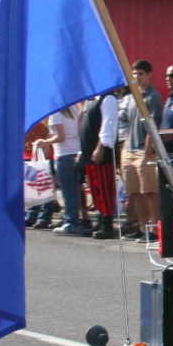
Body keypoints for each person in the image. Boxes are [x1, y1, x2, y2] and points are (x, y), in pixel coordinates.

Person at [116, 60, 163, 241]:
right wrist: (123, 149)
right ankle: (143, 228)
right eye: (134, 73)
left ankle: (155, 229)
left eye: (141, 73)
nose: (137, 77)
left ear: (149, 75)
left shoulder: (153, 97)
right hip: (128, 149)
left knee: (149, 191)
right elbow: (123, 125)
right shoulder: (129, 98)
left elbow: (153, 126)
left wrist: (147, 151)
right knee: (134, 192)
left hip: (145, 150)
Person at [80, 89, 121, 239]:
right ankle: (100, 218)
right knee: (95, 188)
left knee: (105, 189)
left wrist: (101, 147)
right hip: (88, 151)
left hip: (102, 153)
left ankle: (107, 224)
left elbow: (108, 125)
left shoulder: (108, 98)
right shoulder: (90, 100)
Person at [41, 104, 85, 235]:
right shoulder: (75, 109)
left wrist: (45, 142)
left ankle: (71, 222)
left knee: (68, 191)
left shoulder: (56, 114)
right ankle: (74, 219)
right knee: (74, 190)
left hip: (64, 154)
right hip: (76, 152)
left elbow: (61, 136)